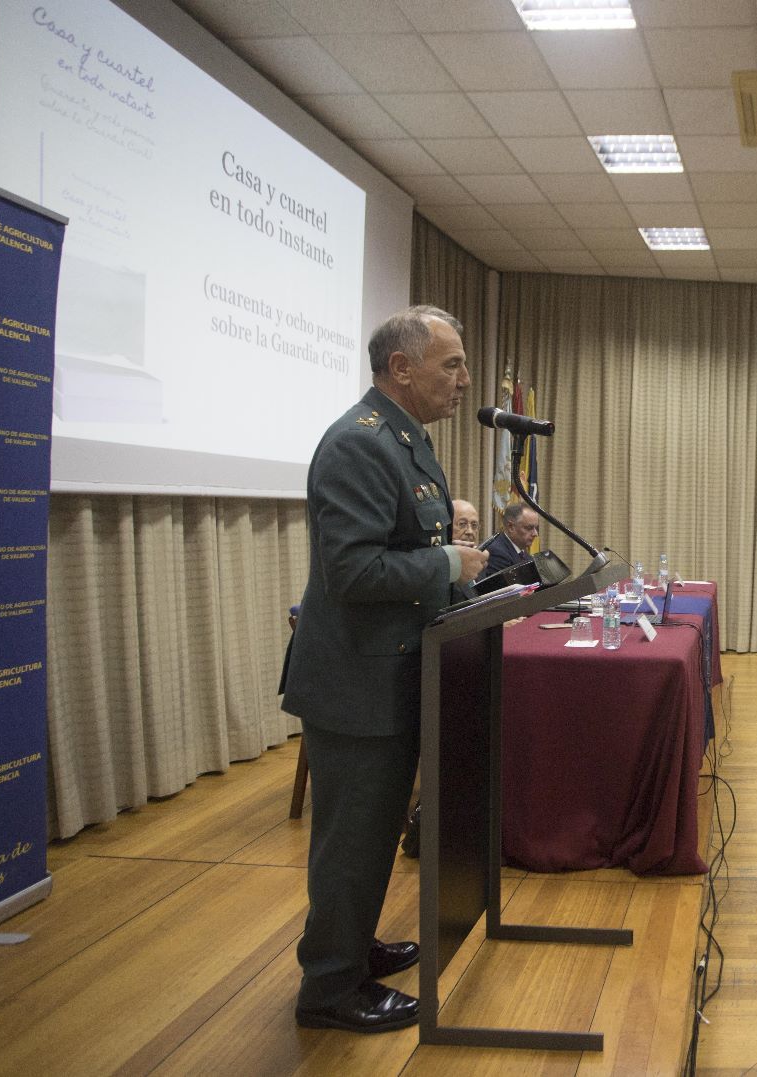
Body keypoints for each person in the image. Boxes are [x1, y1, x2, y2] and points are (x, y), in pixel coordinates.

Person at [283, 305, 488, 1033]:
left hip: (391, 673)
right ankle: (329, 990)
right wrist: (446, 563)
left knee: (368, 837)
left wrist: (465, 577)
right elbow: (351, 568)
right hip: (354, 682)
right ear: (401, 368)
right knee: (352, 840)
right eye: (452, 364)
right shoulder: (359, 444)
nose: (464, 379)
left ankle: (348, 946)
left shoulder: (407, 441)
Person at [479, 501, 540, 578]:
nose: (535, 534)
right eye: (529, 528)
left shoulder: (524, 554)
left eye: (536, 528)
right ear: (511, 527)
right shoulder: (497, 553)